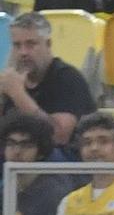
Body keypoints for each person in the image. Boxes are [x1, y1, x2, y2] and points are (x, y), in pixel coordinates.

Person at [0, 12, 96, 154]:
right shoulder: (13, 80)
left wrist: (18, 95)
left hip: (64, 164)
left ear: (48, 44)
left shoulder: (67, 78)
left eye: (31, 44)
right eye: (17, 45)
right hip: (20, 159)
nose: (23, 52)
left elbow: (58, 137)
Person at [0, 113, 67, 215]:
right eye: (11, 144)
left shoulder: (52, 194)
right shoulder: (5, 191)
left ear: (41, 151)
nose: (16, 151)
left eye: (26, 145)